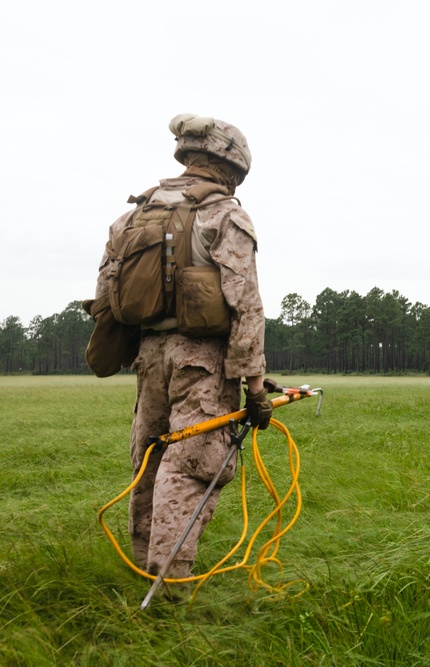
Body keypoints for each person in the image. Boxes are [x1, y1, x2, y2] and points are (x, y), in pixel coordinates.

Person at [91, 114, 273, 579]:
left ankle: (142, 567)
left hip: (149, 358)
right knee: (192, 466)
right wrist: (255, 390)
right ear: (230, 165)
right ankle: (168, 587)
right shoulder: (226, 215)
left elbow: (107, 293)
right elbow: (245, 305)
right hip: (202, 361)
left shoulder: (133, 216)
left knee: (150, 458)